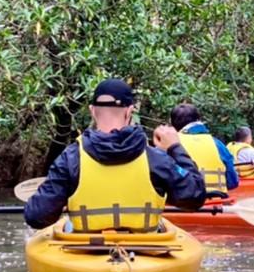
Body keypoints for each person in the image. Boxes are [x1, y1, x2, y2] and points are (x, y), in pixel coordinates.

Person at [24, 78, 209, 231]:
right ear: (130, 111)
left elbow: (36, 217)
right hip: (146, 252)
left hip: (86, 250)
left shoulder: (70, 158)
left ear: (92, 111)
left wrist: (57, 198)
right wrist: (175, 148)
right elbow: (194, 198)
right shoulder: (156, 158)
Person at [170, 103, 239, 195]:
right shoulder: (217, 144)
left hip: (183, 202)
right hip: (217, 201)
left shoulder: (171, 145)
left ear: (173, 124)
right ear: (198, 120)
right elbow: (232, 183)